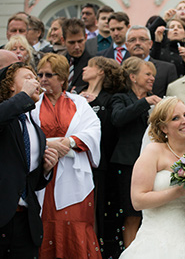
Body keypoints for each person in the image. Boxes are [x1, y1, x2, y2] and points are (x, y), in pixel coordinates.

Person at [118, 96, 185, 258]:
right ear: (164, 128)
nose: (184, 121)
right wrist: (177, 192)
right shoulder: (153, 152)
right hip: (154, 241)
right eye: (175, 118)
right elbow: (137, 201)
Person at [31, 53, 102, 258]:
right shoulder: (32, 104)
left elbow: (93, 129)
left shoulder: (78, 103)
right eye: (40, 74)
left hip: (74, 175)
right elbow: (26, 136)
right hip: (43, 173)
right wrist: (51, 145)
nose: (43, 79)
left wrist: (70, 142)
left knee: (76, 223)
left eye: (49, 74)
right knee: (44, 221)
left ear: (62, 78)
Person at [0, 62, 58, 258]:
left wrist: (46, 170)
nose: (36, 81)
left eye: (35, 78)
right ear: (10, 86)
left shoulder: (35, 128)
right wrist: (22, 97)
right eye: (28, 78)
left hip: (26, 221)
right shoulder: (6, 116)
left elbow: (29, 179)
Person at [110, 57, 162, 248]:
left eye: (153, 75)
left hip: (153, 164)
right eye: (148, 74)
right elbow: (118, 118)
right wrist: (145, 102)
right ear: (132, 76)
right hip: (128, 164)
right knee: (131, 214)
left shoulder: (157, 100)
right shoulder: (120, 98)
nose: (152, 79)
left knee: (150, 214)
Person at [80, 56, 126, 256]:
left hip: (100, 163)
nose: (83, 69)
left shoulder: (109, 99)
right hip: (77, 161)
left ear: (100, 71)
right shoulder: (75, 95)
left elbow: (108, 130)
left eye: (89, 66)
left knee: (97, 211)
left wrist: (96, 103)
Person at [125, 25, 178, 97]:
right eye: (132, 40)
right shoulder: (121, 70)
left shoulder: (167, 69)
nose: (137, 43)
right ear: (126, 45)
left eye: (142, 39)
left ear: (150, 44)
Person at [63, 18, 93, 91]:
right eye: (71, 42)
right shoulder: (58, 64)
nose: (77, 47)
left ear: (86, 37)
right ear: (63, 41)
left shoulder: (93, 65)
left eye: (80, 41)